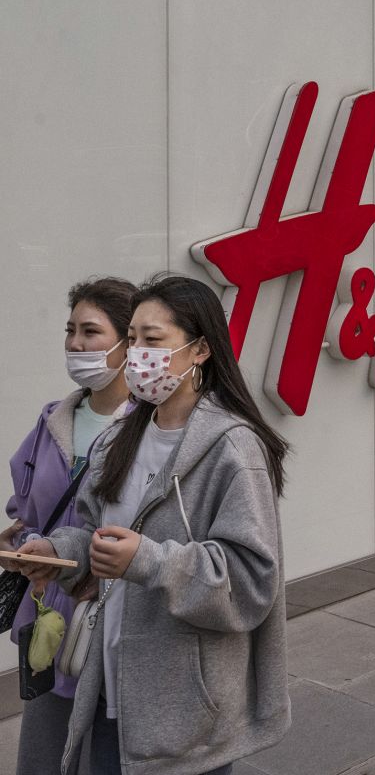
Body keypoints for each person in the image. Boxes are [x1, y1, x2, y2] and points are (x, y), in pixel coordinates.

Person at [16, 275, 291, 775]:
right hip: (106, 682)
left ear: (201, 349)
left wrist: (148, 560)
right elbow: (94, 531)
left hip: (184, 708)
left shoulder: (234, 448)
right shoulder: (120, 437)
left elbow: (253, 581)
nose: (138, 354)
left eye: (153, 339)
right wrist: (58, 554)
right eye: (134, 339)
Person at [2, 277, 137, 775]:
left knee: (104, 751)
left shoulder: (149, 428)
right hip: (48, 613)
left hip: (113, 614)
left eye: (91, 332)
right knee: (43, 750)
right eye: (70, 330)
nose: (76, 344)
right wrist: (19, 539)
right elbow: (27, 505)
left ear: (128, 344)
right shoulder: (53, 419)